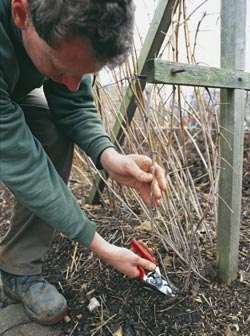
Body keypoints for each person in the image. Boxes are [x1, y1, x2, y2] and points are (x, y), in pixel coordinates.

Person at [0, 0, 167, 326]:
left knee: (51, 126)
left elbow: (73, 101)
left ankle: (16, 267)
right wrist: (102, 247)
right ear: (21, 14)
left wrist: (109, 157)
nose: (74, 84)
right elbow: (24, 163)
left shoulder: (59, 25)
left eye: (84, 74)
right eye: (61, 69)